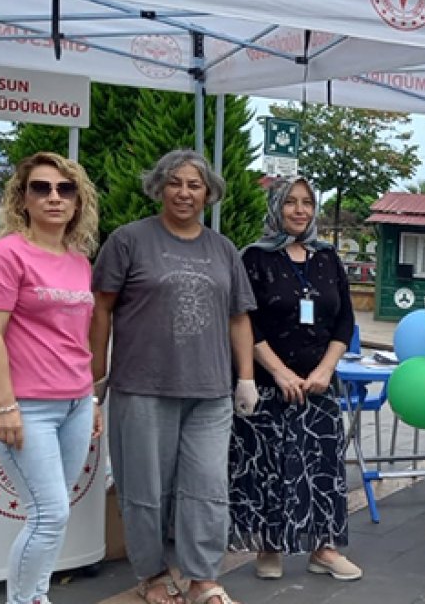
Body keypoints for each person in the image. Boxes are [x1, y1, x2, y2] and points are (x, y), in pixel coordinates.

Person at [90, 149, 257, 604]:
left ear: (209, 193)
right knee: (145, 489)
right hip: (143, 387)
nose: (184, 193)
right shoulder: (129, 241)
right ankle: (152, 573)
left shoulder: (223, 249)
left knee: (207, 487)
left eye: (194, 185)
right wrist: (96, 376)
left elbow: (239, 316)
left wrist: (245, 378)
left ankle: (203, 577)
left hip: (210, 391)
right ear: (159, 187)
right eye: (175, 183)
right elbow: (101, 309)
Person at [0, 152, 102, 604]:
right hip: (27, 405)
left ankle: (36, 595)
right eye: (41, 188)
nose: (54, 197)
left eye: (65, 189)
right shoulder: (4, 255)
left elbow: (77, 337)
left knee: (54, 512)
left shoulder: (79, 261)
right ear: (22, 198)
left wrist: (92, 399)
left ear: (78, 201)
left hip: (76, 402)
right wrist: (5, 405)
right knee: (49, 514)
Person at [229, 177, 361, 582]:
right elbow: (244, 321)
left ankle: (324, 548)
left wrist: (325, 369)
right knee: (270, 465)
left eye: (307, 203)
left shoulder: (327, 258)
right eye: (290, 202)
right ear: (276, 207)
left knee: (322, 465)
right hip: (269, 384)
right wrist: (279, 372)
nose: (300, 210)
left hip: (319, 385)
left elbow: (344, 320)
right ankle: (269, 546)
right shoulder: (253, 258)